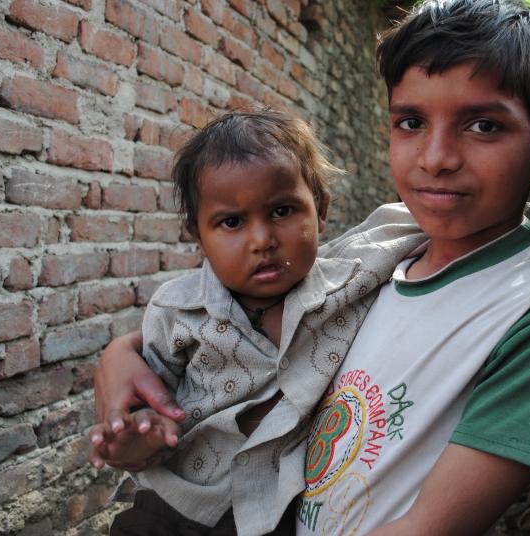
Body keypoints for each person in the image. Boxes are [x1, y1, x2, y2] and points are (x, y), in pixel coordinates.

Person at [92, 0, 530, 533]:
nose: (435, 158)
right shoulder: (377, 249)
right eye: (411, 121)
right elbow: (210, 325)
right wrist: (117, 356)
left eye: (482, 125)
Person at [92, 109, 433, 535]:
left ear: (321, 209)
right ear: (197, 233)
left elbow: (451, 214)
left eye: (283, 211)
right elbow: (146, 398)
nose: (262, 240)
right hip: (182, 504)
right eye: (231, 222)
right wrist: (138, 436)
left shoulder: (353, 275)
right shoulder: (176, 312)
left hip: (287, 508)